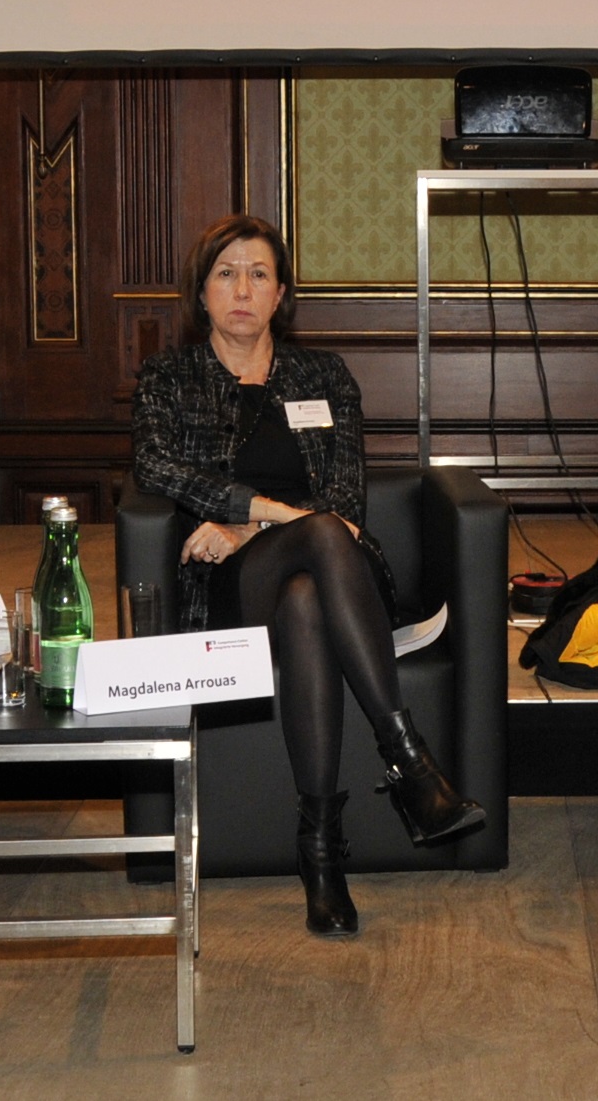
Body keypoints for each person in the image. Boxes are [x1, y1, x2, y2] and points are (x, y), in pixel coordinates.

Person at [130, 214, 487, 939]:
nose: (242, 289)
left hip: (330, 570)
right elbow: (156, 466)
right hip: (233, 588)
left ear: (281, 294)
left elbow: (346, 503)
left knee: (307, 590)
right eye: (226, 273)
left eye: (258, 274)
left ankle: (321, 852)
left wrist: (247, 527)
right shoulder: (170, 378)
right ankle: (411, 767)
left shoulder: (323, 374)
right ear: (201, 293)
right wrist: (268, 512)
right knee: (312, 540)